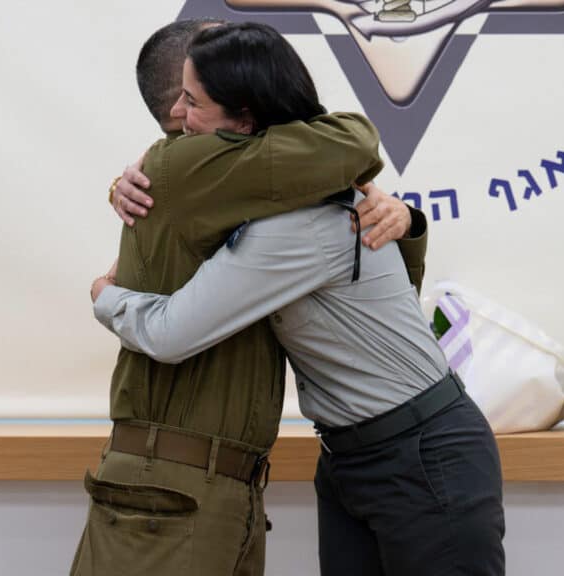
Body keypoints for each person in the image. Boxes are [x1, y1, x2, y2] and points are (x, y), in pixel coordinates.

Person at [91, 23, 505, 576]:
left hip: (420, 452)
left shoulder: (293, 224)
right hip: (348, 454)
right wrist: (128, 183)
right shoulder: (278, 196)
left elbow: (170, 333)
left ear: (244, 122)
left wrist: (105, 297)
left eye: (192, 101)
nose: (177, 118)